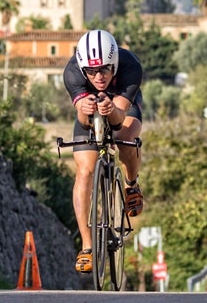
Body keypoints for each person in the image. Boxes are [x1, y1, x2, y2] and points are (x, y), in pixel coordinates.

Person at [63, 29, 144, 273]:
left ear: (115, 64)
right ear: (82, 67)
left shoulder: (130, 66)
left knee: (125, 138)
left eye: (105, 70)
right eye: (91, 71)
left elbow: (119, 120)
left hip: (121, 104)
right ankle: (87, 247)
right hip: (89, 110)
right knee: (84, 171)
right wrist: (84, 109)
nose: (98, 77)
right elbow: (84, 120)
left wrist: (111, 108)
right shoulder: (73, 72)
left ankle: (131, 183)